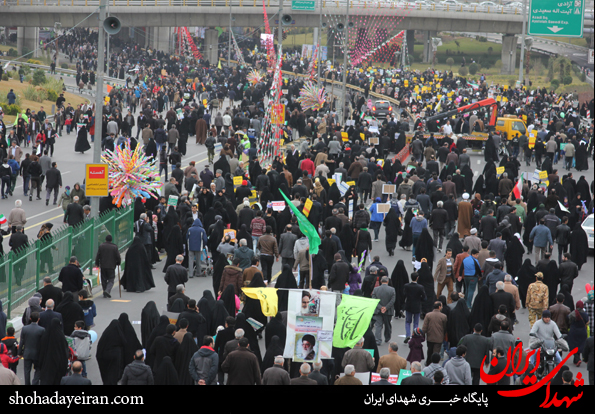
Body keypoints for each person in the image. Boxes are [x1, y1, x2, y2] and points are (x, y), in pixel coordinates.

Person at [18, 312, 45, 385]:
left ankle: (27, 383)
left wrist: (20, 353)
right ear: (38, 319)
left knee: (27, 370)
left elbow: (22, 342)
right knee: (38, 369)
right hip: (37, 353)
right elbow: (43, 343)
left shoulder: (24, 328)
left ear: (30, 318)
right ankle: (35, 382)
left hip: (27, 353)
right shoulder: (42, 330)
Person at [422, 301, 448, 367]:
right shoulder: (443, 316)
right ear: (439, 307)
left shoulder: (428, 315)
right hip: (439, 338)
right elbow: (445, 327)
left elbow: (424, 327)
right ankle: (434, 366)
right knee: (436, 352)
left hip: (430, 337)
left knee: (429, 351)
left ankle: (428, 364)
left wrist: (423, 335)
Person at [372, 276, 396, 345]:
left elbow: (374, 300)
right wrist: (386, 308)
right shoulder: (392, 289)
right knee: (387, 325)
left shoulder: (376, 289)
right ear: (388, 281)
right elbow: (392, 300)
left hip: (378, 311)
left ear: (380, 281)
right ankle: (387, 337)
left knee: (378, 326)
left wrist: (380, 307)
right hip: (388, 311)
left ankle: (378, 340)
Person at [403, 272, 426, 343]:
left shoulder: (406, 286)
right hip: (417, 306)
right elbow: (424, 298)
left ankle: (407, 335)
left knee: (407, 321)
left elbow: (404, 294)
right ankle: (414, 335)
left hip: (409, 305)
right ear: (417, 278)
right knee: (416, 323)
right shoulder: (420, 287)